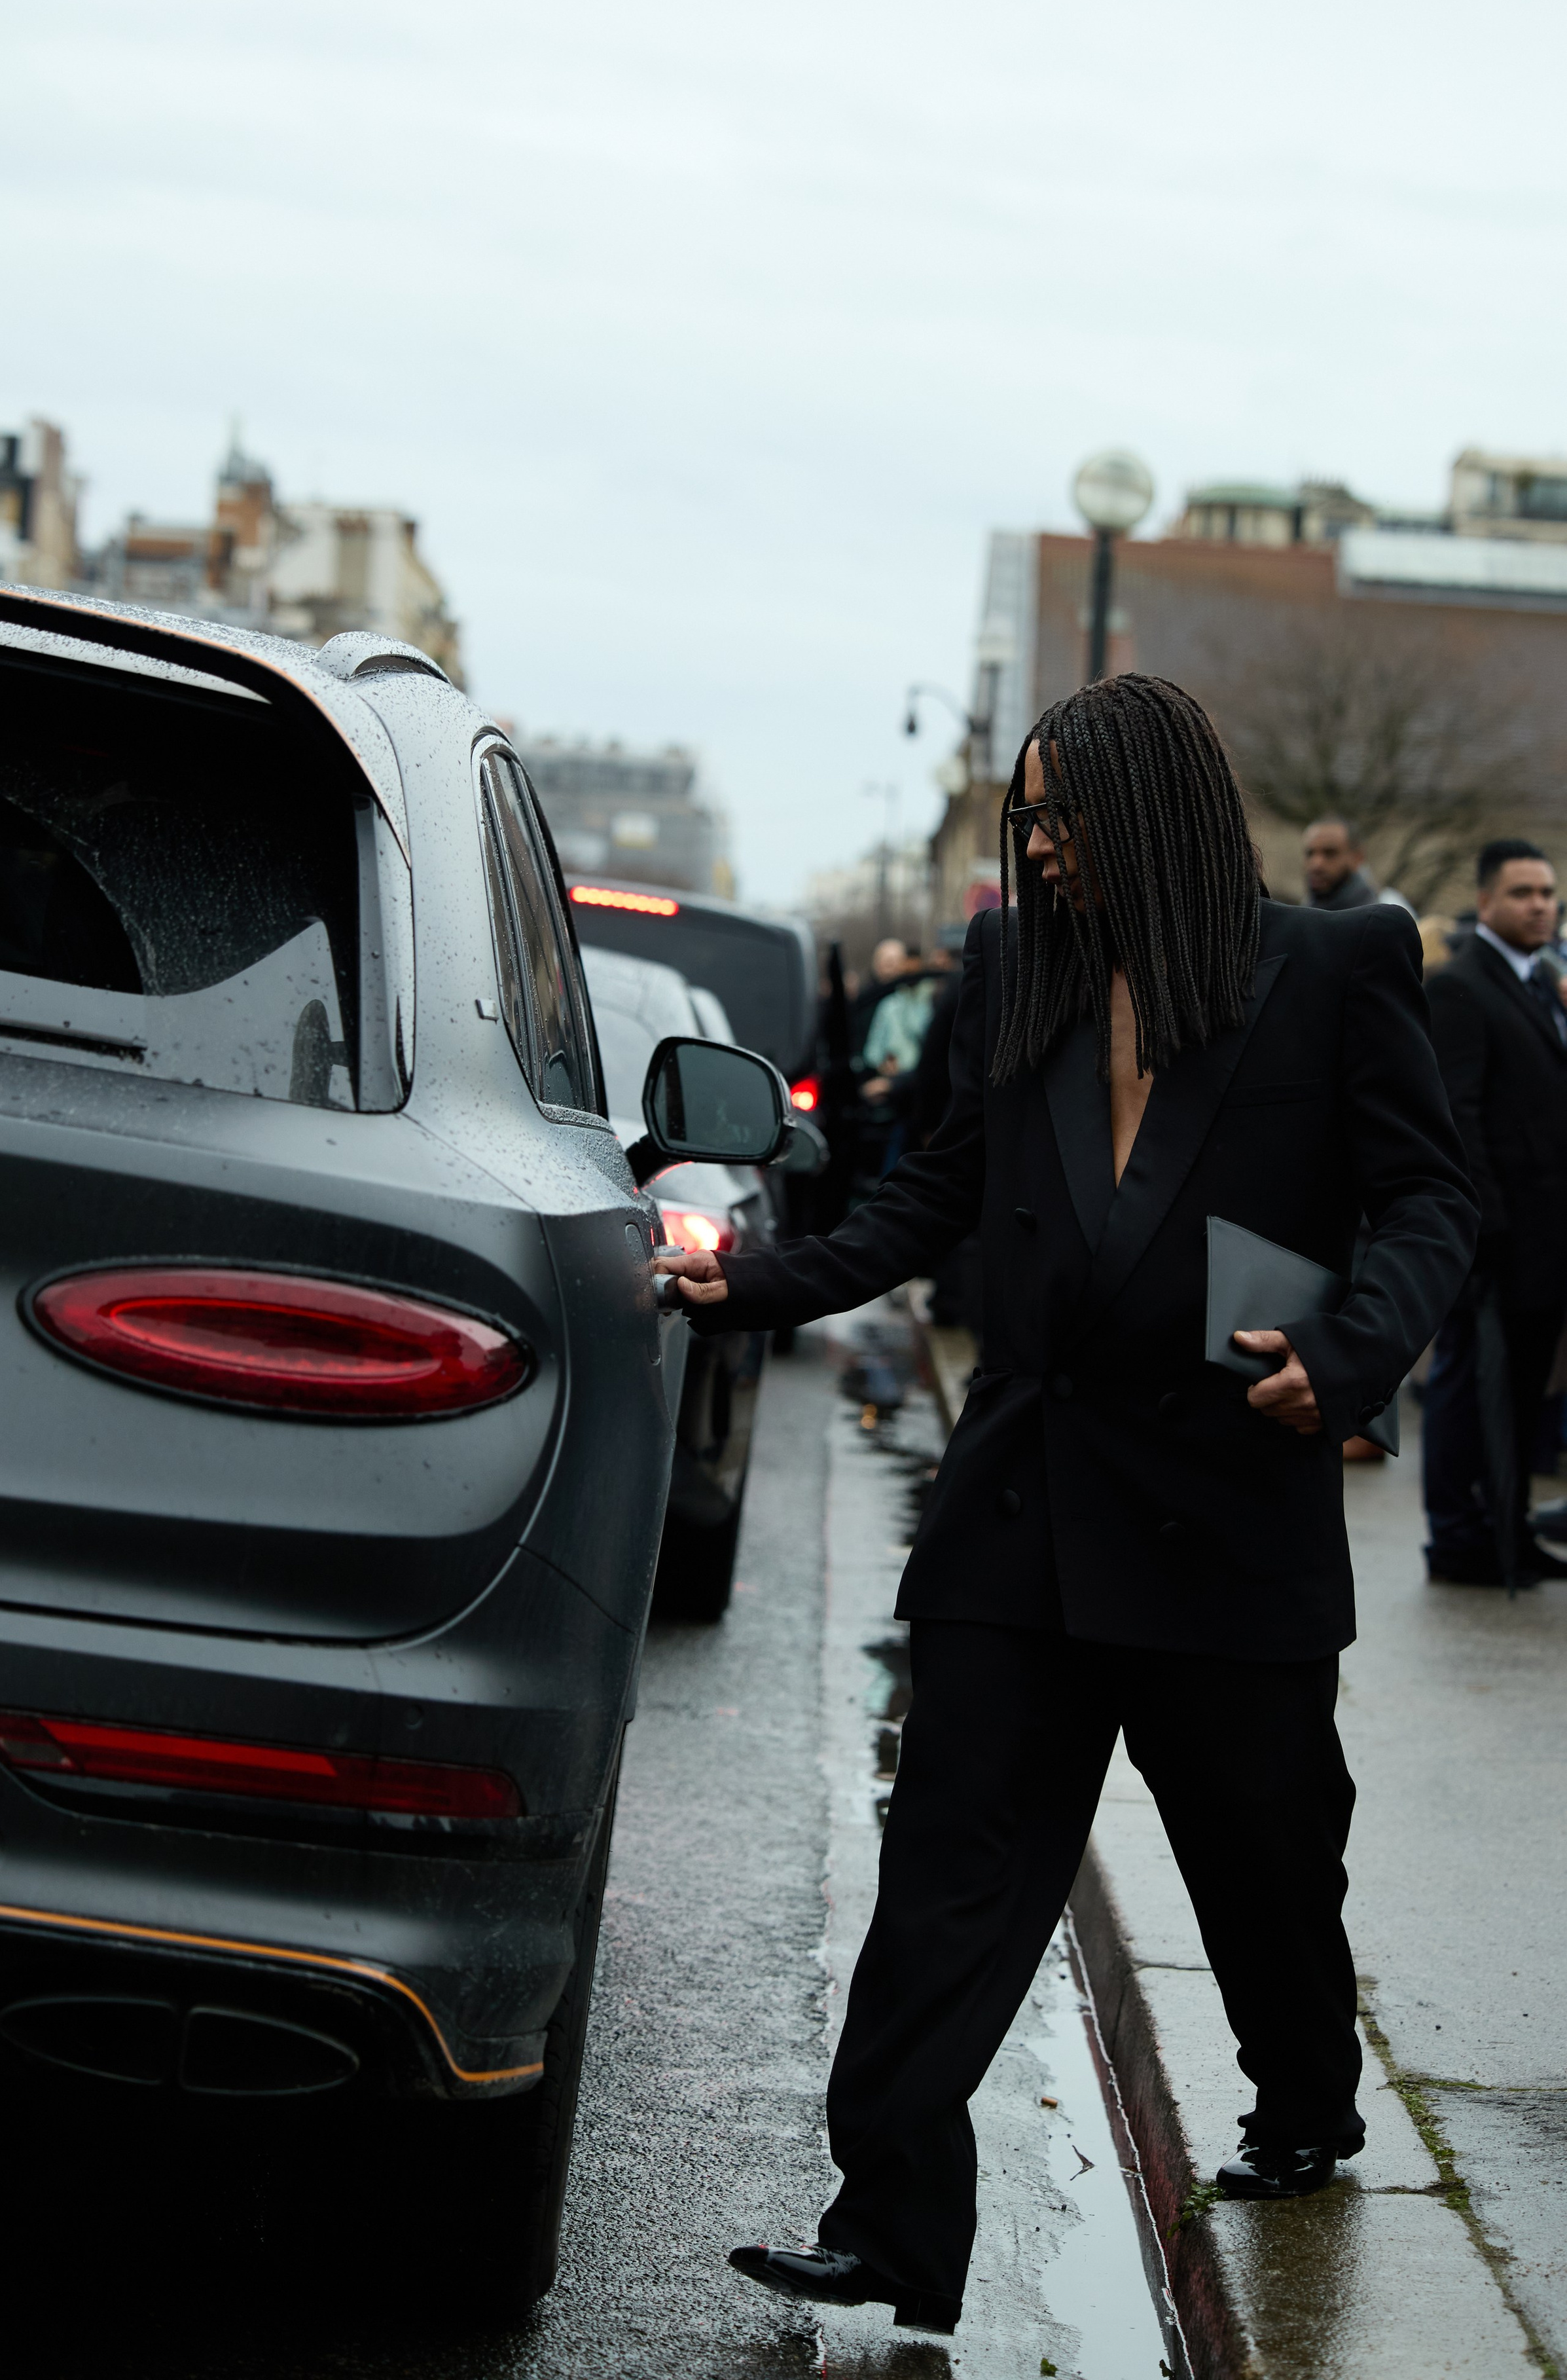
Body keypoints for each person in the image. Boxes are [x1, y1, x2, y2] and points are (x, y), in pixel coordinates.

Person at [664, 674, 1475, 2339]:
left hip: (1224, 1506)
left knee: (1263, 1868)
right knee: (948, 1866)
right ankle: (888, 2216)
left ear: (1150, 808)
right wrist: (744, 1283)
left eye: (1054, 816)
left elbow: (1423, 1195)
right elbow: (933, 1187)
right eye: (1022, 817)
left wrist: (1346, 1349)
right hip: (1024, 1497)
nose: (1030, 847)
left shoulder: (1321, 967)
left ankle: (1304, 2098)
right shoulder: (1010, 966)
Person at [1421, 840, 1567, 1586]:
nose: (1540, 904)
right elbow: (1461, 1119)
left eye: (1547, 893)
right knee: (1466, 1387)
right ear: (1484, 903)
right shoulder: (1461, 987)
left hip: (1544, 1240)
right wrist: (1487, 1232)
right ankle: (1456, 1537)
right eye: (1522, 893)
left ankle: (1507, 1531)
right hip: (1498, 1241)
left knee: (1516, 1396)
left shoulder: (1541, 980)